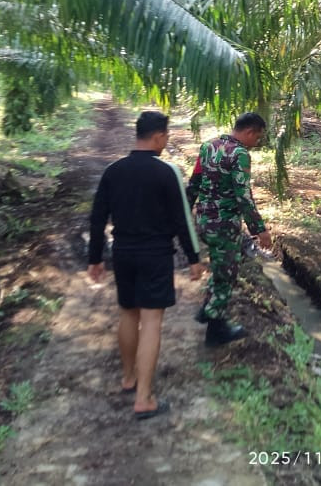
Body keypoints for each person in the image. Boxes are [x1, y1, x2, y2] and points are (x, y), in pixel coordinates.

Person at [87, 110, 204, 419]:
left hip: (122, 252)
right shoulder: (167, 172)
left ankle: (129, 378)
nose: (166, 142)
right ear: (157, 137)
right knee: (151, 321)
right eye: (166, 136)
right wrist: (194, 258)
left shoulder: (113, 171)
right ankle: (144, 399)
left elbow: (98, 218)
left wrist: (95, 258)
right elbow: (182, 220)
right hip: (155, 255)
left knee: (128, 313)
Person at [187, 111, 273, 346]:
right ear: (249, 132)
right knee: (227, 274)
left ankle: (207, 309)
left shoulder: (208, 146)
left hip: (204, 221)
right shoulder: (240, 154)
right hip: (224, 224)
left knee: (219, 265)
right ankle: (216, 332)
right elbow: (243, 195)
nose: (257, 143)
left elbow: (194, 182)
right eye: (257, 138)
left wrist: (185, 213)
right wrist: (260, 230)